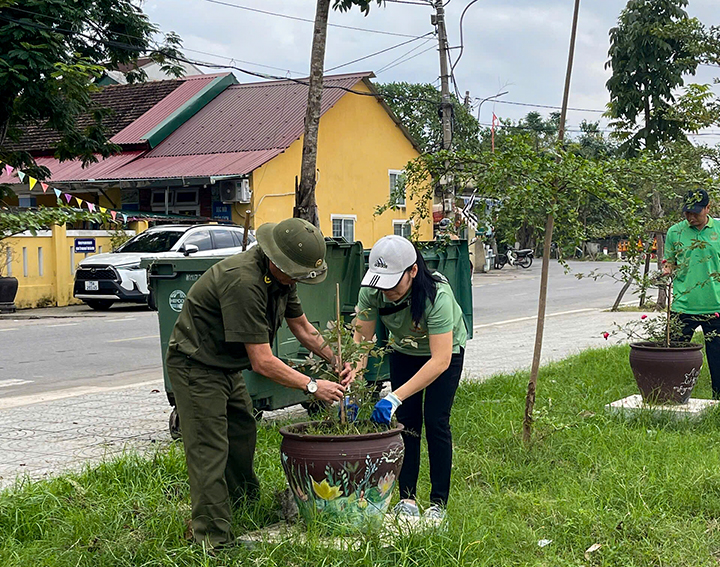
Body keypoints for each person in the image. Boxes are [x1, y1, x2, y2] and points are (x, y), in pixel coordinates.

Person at [166, 217, 348, 548]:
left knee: (241, 434)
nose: (298, 280)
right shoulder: (243, 281)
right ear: (277, 260)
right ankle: (213, 541)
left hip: (225, 366)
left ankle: (244, 508)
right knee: (210, 450)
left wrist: (337, 359)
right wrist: (312, 386)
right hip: (196, 365)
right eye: (295, 273)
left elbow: (304, 329)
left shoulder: (282, 280)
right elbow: (262, 361)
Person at [351, 235, 467, 520]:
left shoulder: (436, 296)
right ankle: (407, 499)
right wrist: (350, 391)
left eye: (392, 281)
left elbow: (439, 360)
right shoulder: (372, 291)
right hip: (404, 350)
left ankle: (438, 503)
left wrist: (393, 397)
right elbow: (361, 343)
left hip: (444, 354)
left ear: (413, 271)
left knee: (436, 422)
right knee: (408, 423)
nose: (385, 289)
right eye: (380, 280)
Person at [663, 188, 720, 398]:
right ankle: (671, 395)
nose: (691, 217)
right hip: (682, 306)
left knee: (718, 358)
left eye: (696, 212)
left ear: (708, 208)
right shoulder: (674, 232)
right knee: (674, 355)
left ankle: (718, 400)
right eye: (687, 212)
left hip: (716, 306)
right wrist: (666, 271)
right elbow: (669, 263)